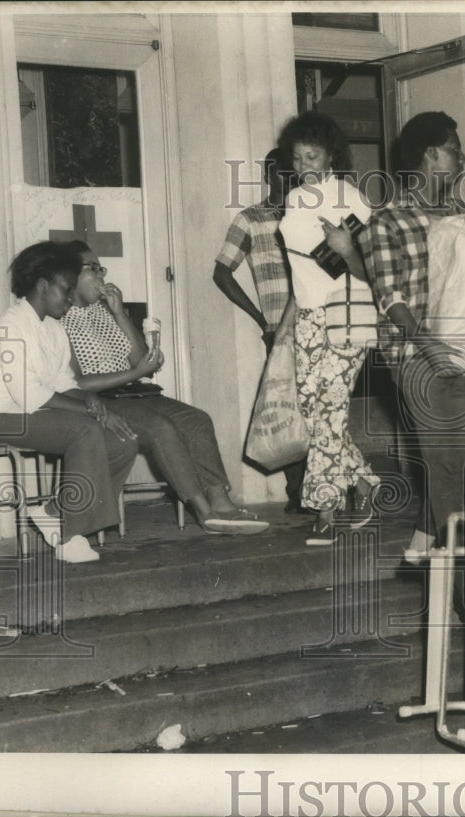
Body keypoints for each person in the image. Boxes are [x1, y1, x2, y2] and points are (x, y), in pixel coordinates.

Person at [61, 241, 268, 535]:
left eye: (101, 268)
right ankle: (204, 512)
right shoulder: (61, 317)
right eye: (92, 269)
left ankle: (221, 503)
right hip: (101, 400)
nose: (101, 275)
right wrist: (135, 372)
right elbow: (76, 381)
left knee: (197, 420)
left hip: (133, 392)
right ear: (68, 275)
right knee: (161, 428)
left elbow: (139, 359)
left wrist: (119, 313)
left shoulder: (103, 311)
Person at [358, 111, 465, 562]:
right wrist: (430, 348)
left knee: (456, 462)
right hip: (416, 355)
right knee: (446, 461)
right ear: (431, 155)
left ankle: (421, 549)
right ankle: (463, 564)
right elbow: (389, 297)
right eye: (455, 148)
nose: (463, 157)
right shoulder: (387, 220)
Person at [0, 241, 139, 563]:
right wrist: (87, 411)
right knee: (84, 430)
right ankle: (69, 532)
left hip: (37, 413)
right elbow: (29, 395)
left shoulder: (54, 329)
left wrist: (96, 405)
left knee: (124, 438)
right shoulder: (9, 326)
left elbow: (66, 383)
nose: (70, 299)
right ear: (42, 285)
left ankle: (54, 510)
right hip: (1, 417)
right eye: (65, 290)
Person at [276, 111, 380, 545]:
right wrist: (289, 321)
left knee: (331, 409)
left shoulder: (352, 199)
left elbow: (369, 268)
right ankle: (365, 482)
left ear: (331, 155)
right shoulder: (296, 199)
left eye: (312, 155)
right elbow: (299, 271)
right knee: (315, 410)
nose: (304, 166)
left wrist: (345, 247)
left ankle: (325, 507)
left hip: (346, 313)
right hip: (307, 316)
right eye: (297, 158)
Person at [212, 146, 308, 514]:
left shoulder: (310, 216)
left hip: (319, 326)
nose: (289, 178)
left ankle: (325, 488)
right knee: (286, 410)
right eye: (281, 172)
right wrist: (258, 318)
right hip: (279, 331)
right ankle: (298, 492)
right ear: (268, 176)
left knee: (321, 408)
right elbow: (222, 272)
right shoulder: (250, 219)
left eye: (294, 171)